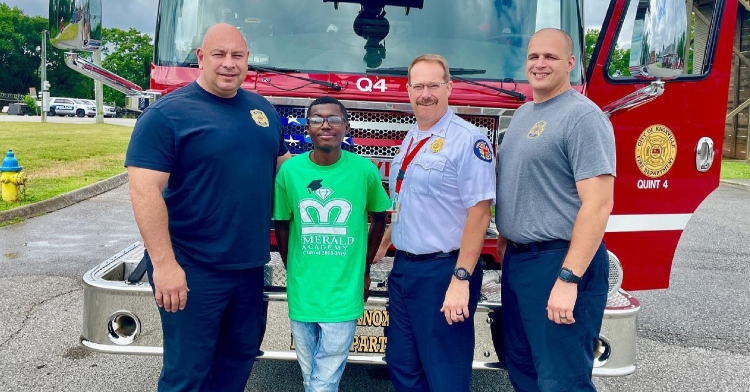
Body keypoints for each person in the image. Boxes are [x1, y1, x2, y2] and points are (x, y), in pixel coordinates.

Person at [124, 23, 291, 392]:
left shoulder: (262, 110)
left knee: (238, 360)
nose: (229, 64)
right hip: (192, 268)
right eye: (219, 54)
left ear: (248, 60)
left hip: (249, 268)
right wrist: (165, 266)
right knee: (188, 373)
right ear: (201, 58)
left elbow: (287, 173)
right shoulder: (167, 116)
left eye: (237, 55)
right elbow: (144, 191)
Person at [495, 28, 615, 391]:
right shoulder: (524, 114)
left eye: (550, 57)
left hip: (559, 262)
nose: (540, 64)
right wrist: (505, 237)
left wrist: (568, 279)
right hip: (520, 263)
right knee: (523, 371)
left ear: (570, 63)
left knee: (562, 379)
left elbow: (598, 203)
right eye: (533, 57)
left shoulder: (583, 118)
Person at [377, 54, 496, 391]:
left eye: (433, 85)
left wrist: (461, 279)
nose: (425, 93)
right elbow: (406, 198)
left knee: (444, 373)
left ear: (448, 87)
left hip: (443, 272)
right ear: (408, 90)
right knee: (402, 365)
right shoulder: (411, 137)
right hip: (404, 270)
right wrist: (388, 238)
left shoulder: (469, 140)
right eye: (418, 86)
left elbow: (479, 212)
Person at [273, 96, 391, 392]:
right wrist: (292, 268)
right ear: (307, 128)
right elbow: (283, 224)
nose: (326, 125)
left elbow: (379, 217)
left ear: (346, 127)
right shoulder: (290, 172)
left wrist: (364, 268)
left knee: (325, 377)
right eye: (317, 119)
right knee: (309, 371)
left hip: (344, 290)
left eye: (334, 119)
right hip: (304, 291)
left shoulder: (364, 171)